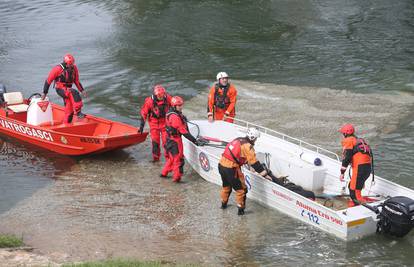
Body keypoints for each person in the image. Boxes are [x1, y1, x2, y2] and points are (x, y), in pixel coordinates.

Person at [218, 127, 271, 215]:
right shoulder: (248, 146)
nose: (256, 141)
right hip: (231, 169)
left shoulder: (238, 139)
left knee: (226, 186)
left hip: (221, 165)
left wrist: (247, 163)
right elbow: (255, 163)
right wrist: (265, 174)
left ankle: (223, 206)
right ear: (252, 138)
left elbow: (236, 154)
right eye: (256, 139)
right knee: (241, 190)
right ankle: (241, 212)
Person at [161, 96, 202, 182]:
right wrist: (194, 140)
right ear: (174, 106)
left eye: (181, 105)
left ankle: (164, 173)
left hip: (169, 139)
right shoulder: (175, 117)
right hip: (175, 141)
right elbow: (183, 131)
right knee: (178, 160)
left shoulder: (172, 113)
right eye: (179, 105)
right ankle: (177, 178)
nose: (181, 107)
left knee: (172, 158)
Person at [42, 54, 87, 123]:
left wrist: (82, 90)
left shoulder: (74, 68)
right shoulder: (57, 69)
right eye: (70, 64)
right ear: (65, 63)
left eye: (72, 64)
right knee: (73, 92)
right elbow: (48, 81)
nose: (71, 65)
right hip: (60, 89)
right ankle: (78, 113)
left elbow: (76, 81)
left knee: (69, 112)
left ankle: (66, 124)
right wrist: (45, 93)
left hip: (68, 89)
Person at [339, 124, 372, 206]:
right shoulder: (359, 140)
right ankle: (358, 200)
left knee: (352, 189)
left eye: (343, 133)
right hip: (367, 168)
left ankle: (356, 206)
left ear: (345, 134)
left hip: (360, 168)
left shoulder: (348, 141)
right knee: (355, 187)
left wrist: (342, 173)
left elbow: (347, 158)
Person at [138, 85, 172, 162]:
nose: (162, 97)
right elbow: (143, 114)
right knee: (155, 142)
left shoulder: (168, 98)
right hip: (154, 124)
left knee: (166, 142)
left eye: (163, 94)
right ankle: (156, 158)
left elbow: (174, 105)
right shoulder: (149, 101)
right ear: (156, 95)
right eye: (160, 95)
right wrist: (141, 127)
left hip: (165, 123)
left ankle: (169, 159)